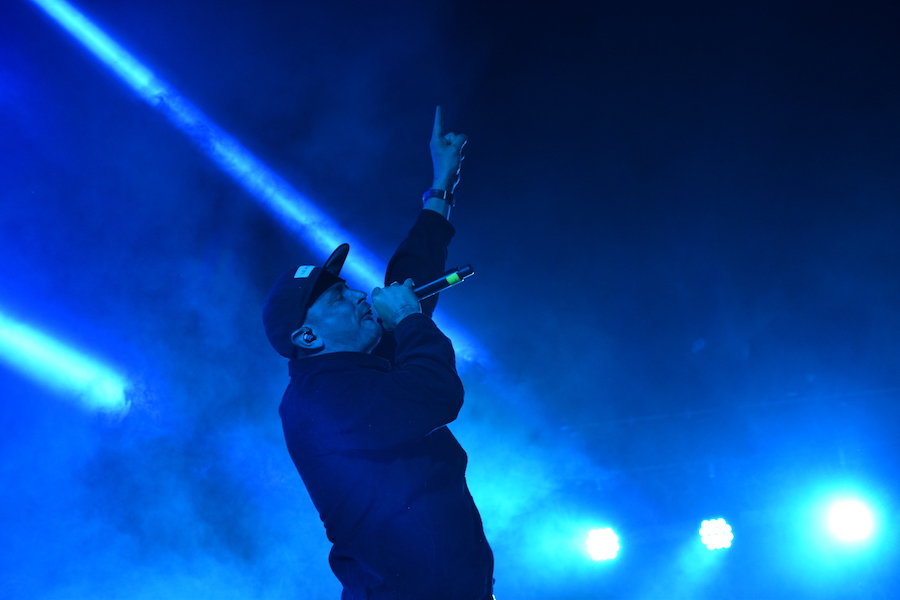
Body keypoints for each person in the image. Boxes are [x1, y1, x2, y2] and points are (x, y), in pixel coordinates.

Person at [262, 107, 494, 600]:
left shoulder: (357, 368)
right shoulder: (318, 402)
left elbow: (412, 273)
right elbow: (435, 392)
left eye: (348, 287)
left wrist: (442, 184)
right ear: (307, 337)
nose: (358, 295)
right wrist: (408, 318)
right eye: (337, 298)